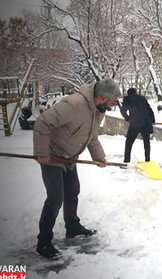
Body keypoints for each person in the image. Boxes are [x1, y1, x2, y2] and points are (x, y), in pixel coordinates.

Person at [33, 78, 121, 259]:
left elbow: (92, 135)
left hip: (70, 157)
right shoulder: (74, 104)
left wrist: (99, 157)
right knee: (55, 198)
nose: (113, 106)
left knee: (73, 191)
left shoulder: (98, 110)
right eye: (112, 102)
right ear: (103, 98)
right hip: (53, 155)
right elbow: (42, 122)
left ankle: (72, 227)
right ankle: (44, 242)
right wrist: (41, 152)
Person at [119, 88, 155, 163]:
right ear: (135, 92)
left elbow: (123, 110)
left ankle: (126, 160)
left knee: (129, 142)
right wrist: (152, 120)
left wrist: (127, 118)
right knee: (146, 142)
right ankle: (147, 160)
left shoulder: (127, 99)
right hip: (145, 123)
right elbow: (149, 109)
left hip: (135, 123)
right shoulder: (142, 98)